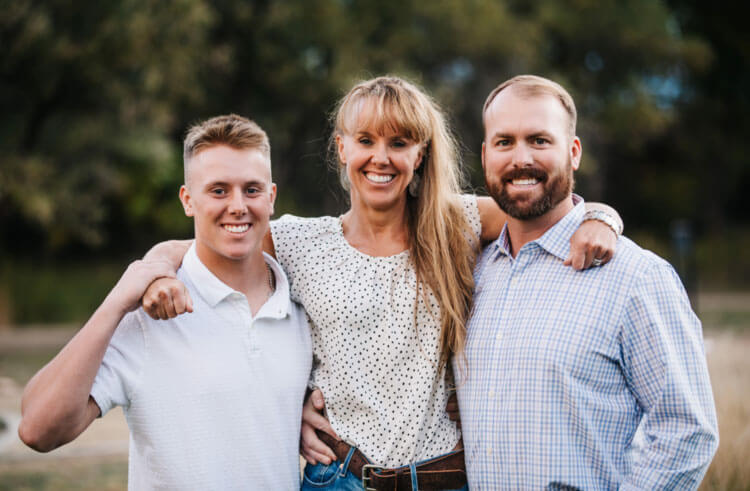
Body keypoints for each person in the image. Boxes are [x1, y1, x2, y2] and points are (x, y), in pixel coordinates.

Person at [142, 76, 621, 490]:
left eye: (399, 142)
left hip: (445, 477)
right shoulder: (299, 242)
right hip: (340, 477)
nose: (381, 157)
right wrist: (157, 270)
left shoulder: (457, 223)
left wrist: (602, 217)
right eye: (366, 140)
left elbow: (551, 211)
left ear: (420, 153)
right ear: (341, 147)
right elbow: (191, 248)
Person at [18, 115, 312, 490]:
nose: (238, 206)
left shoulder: (299, 303)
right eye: (218, 191)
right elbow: (38, 429)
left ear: (271, 197)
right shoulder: (151, 310)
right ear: (188, 200)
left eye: (251, 190)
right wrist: (116, 301)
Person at [457, 75, 718, 489]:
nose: (520, 158)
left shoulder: (636, 277)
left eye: (540, 140)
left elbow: (687, 430)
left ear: (573, 152)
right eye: (505, 142)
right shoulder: (470, 268)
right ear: (486, 155)